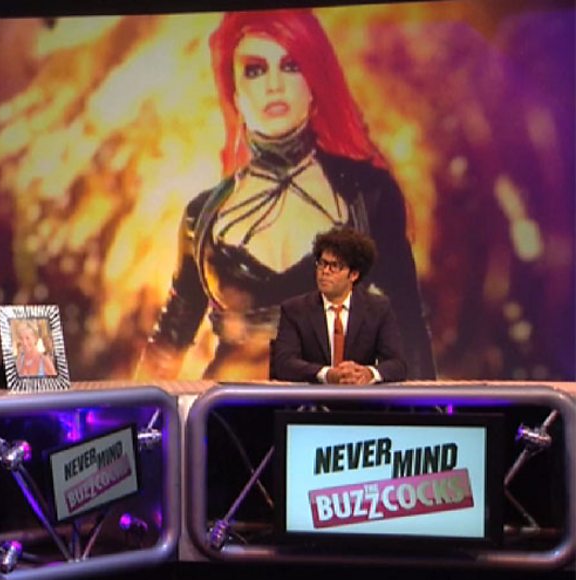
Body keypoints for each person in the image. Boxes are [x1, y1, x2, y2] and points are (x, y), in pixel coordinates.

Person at [138, 9, 434, 381]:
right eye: (255, 70)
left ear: (314, 82)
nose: (274, 86)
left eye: (291, 66)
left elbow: (409, 332)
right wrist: (136, 414)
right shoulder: (203, 217)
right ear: (234, 91)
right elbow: (166, 345)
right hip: (228, 413)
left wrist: (424, 412)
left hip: (337, 415)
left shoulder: (368, 196)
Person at [270, 228, 406, 384]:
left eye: (334, 266)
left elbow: (397, 364)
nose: (325, 271)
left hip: (360, 397)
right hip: (312, 397)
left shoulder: (378, 309)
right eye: (322, 263)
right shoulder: (295, 310)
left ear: (353, 274)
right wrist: (327, 374)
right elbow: (284, 363)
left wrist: (368, 373)